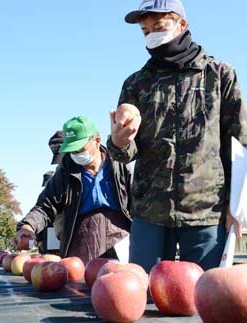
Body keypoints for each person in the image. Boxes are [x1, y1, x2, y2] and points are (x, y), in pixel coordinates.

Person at [107, 0, 247, 272]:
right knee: (142, 299)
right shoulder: (136, 83)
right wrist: (119, 142)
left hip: (206, 212)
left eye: (159, 26)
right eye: (145, 30)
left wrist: (238, 207)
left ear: (182, 24)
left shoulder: (219, 75)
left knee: (202, 300)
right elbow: (126, 153)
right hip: (150, 213)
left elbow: (240, 143)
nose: (152, 35)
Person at [13, 116, 132, 264]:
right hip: (82, 243)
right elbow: (45, 206)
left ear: (97, 140)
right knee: (79, 283)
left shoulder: (119, 166)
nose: (76, 154)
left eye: (80, 148)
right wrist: (27, 226)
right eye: (72, 150)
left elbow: (138, 202)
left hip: (120, 240)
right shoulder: (65, 172)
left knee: (120, 284)